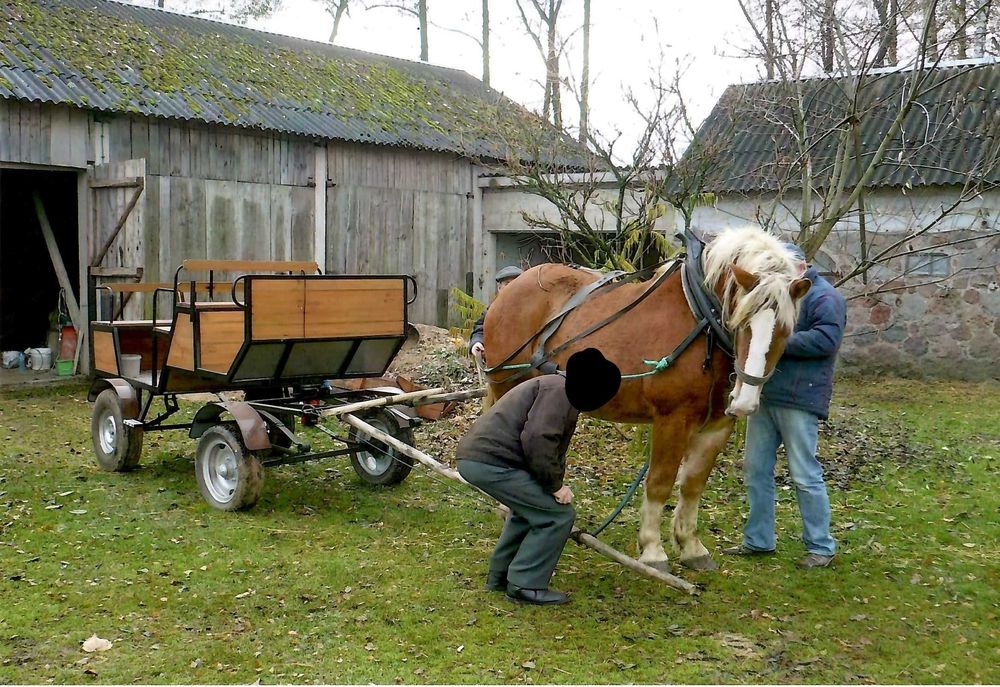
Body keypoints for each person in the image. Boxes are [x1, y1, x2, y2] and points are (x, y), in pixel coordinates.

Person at [456, 348, 621, 605]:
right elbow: (538, 440)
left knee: (528, 510)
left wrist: (549, 485)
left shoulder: (557, 387)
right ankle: (525, 584)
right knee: (556, 516)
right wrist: (554, 486)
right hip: (491, 461)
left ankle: (500, 575)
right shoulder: (559, 392)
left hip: (484, 459)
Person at [724, 243, 847, 569]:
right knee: (755, 470)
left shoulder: (824, 298)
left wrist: (775, 337)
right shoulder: (773, 294)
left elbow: (826, 340)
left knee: (805, 474)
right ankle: (759, 540)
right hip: (767, 395)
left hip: (800, 398)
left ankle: (821, 546)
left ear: (802, 266)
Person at [469, 265, 523, 359]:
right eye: (507, 284)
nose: (512, 287)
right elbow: (481, 330)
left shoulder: (533, 308)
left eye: (516, 284)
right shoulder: (492, 311)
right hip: (500, 363)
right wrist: (476, 343)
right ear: (499, 288)